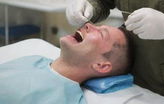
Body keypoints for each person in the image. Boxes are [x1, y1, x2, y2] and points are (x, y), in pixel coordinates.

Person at [0, 23, 132, 104]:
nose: (88, 25)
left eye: (101, 33)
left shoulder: (65, 100)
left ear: (101, 65)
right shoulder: (33, 59)